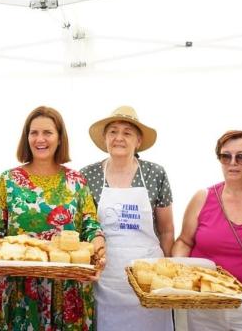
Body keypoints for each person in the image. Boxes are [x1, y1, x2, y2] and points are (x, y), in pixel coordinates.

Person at [0, 106, 105, 331]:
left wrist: (98, 244)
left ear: (59, 138)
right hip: (19, 287)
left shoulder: (77, 180)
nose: (40, 139)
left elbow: (90, 223)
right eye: (33, 132)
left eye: (47, 132)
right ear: (26, 137)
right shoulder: (8, 180)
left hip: (68, 288)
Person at [172, 130, 242, 330]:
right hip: (204, 307)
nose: (233, 162)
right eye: (225, 156)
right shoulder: (202, 197)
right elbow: (184, 241)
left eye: (241, 156)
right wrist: (181, 272)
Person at [80, 105, 175, 330]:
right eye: (113, 131)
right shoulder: (87, 175)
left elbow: (167, 229)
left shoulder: (155, 173)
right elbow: (83, 228)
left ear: (138, 141)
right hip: (105, 278)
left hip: (149, 279)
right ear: (105, 138)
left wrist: (166, 270)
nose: (119, 138)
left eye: (127, 132)